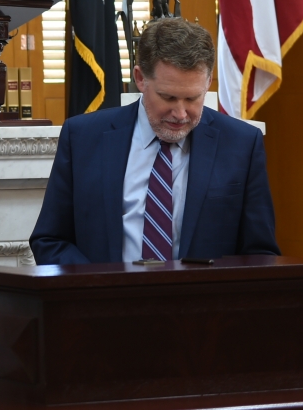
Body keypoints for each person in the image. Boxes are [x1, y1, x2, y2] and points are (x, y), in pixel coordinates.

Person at [30, 17, 279, 264]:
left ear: (208, 83)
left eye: (192, 99)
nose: (181, 114)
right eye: (168, 97)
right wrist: (99, 289)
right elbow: (50, 240)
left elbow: (259, 253)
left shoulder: (241, 144)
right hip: (105, 298)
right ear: (140, 78)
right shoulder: (83, 137)